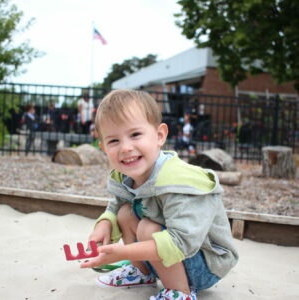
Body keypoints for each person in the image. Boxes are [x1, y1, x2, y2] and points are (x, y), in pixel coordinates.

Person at [80, 89, 238, 300]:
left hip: (205, 262)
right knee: (125, 213)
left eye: (135, 134)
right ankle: (142, 273)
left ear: (159, 135)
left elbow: (182, 241)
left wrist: (122, 253)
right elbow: (117, 204)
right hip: (165, 255)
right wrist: (105, 224)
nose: (126, 148)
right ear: (103, 147)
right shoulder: (124, 175)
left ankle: (179, 292)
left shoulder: (178, 181)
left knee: (148, 227)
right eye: (114, 141)